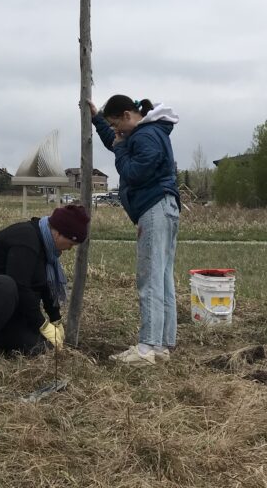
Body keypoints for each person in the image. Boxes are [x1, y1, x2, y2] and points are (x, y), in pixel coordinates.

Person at [90, 95, 180, 366]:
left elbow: (133, 171)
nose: (116, 131)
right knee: (162, 278)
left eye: (117, 124)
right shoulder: (145, 132)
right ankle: (162, 345)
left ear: (128, 116)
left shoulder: (146, 136)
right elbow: (118, 143)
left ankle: (146, 348)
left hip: (153, 208)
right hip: (164, 207)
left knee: (149, 278)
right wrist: (97, 119)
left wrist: (119, 149)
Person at [0, 204, 89, 379]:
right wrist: (42, 324)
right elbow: (20, 287)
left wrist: (56, 320)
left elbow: (43, 285)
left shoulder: (44, 248)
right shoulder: (26, 239)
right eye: (70, 243)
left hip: (6, 313)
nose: (69, 249)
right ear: (59, 233)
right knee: (5, 285)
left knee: (40, 348)